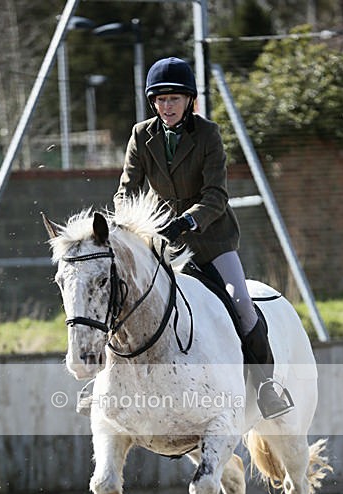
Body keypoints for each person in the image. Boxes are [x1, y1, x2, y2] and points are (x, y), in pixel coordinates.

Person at [114, 56, 292, 420]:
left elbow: (216, 195)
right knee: (120, 299)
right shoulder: (140, 135)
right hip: (161, 241)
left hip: (210, 239)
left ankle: (266, 387)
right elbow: (125, 192)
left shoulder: (208, 133)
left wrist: (187, 222)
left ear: (189, 101)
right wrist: (128, 223)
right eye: (160, 100)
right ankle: (104, 382)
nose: (166, 106)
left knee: (240, 302)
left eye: (174, 99)